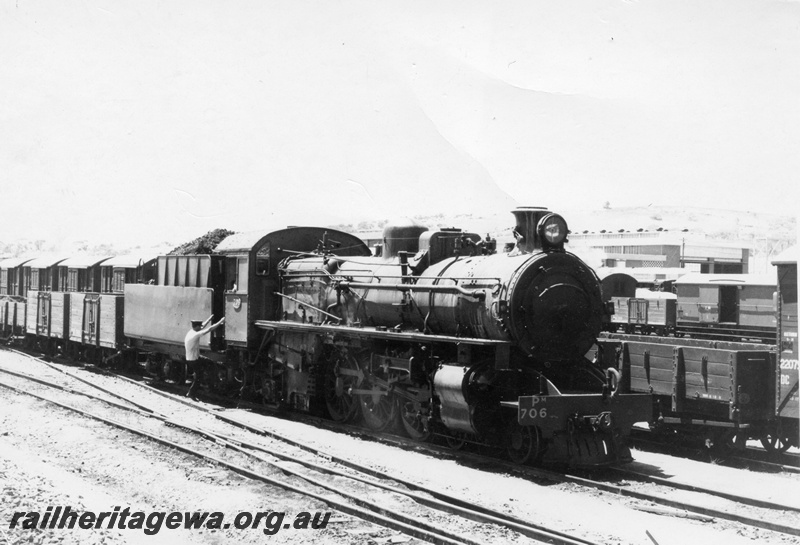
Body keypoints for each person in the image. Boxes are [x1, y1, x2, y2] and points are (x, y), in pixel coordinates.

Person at [185, 315, 225, 399]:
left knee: (209, 363)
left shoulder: (192, 331)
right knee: (199, 376)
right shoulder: (195, 335)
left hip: (195, 358)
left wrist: (209, 319)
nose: (201, 327)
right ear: (197, 327)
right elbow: (209, 329)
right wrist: (221, 321)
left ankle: (211, 383)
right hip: (193, 360)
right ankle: (191, 393)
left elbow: (203, 325)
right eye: (200, 326)